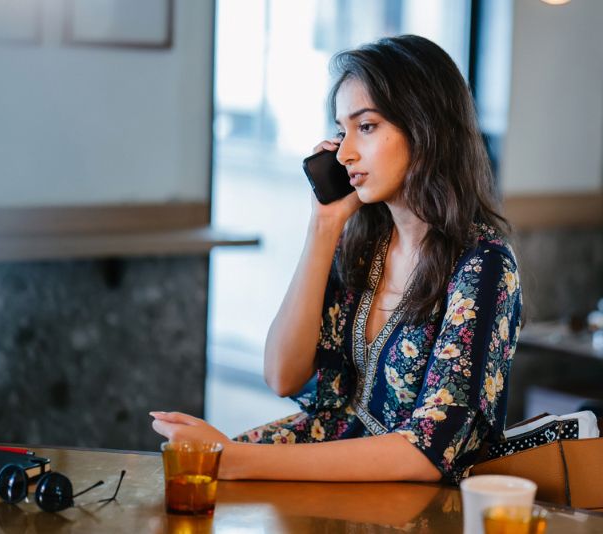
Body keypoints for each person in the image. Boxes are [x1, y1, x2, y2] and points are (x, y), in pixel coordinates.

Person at [150, 35, 522, 484]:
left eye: (365, 127)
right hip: (335, 464)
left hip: (416, 502)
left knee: (219, 475)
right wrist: (323, 227)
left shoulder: (483, 265)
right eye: (341, 130)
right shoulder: (362, 245)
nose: (344, 153)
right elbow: (282, 375)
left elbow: (429, 452)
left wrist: (234, 458)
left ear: (426, 129)